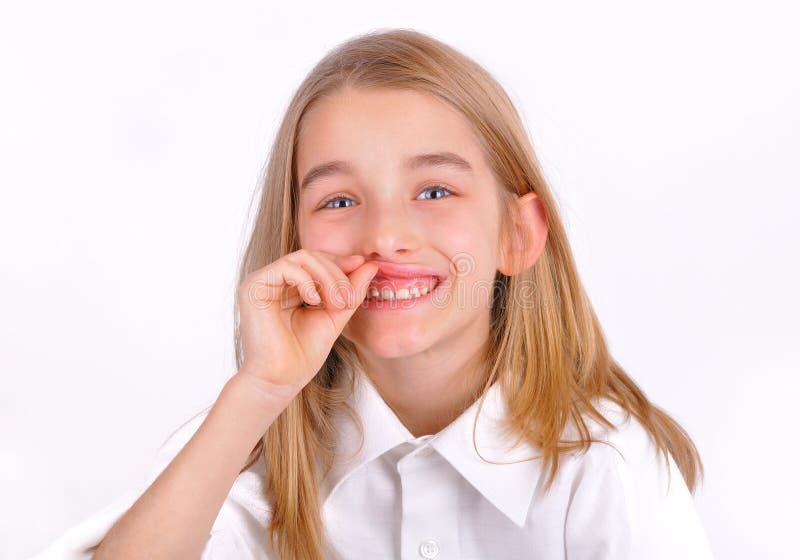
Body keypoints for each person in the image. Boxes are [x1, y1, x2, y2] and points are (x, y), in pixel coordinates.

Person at [30, 28, 715, 559]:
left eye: (435, 190)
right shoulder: (252, 444)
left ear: (517, 233)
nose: (385, 235)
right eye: (339, 200)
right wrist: (259, 390)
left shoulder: (606, 466)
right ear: (292, 236)